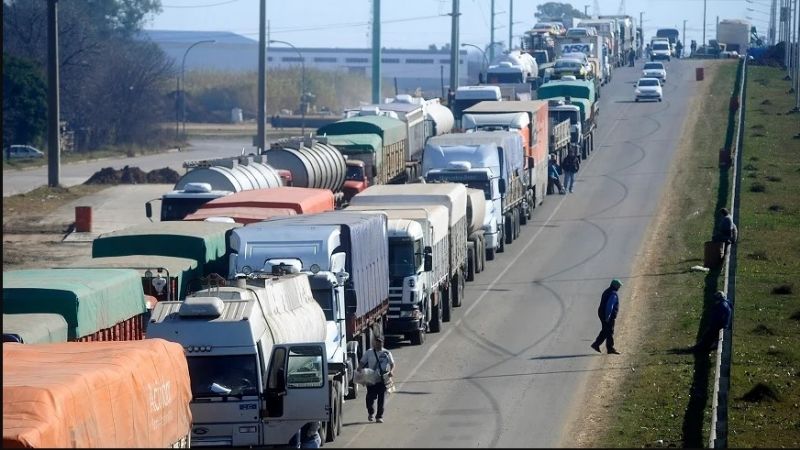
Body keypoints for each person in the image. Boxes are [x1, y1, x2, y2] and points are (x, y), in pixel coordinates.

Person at [359, 335, 395, 423]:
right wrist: (359, 369)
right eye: (377, 342)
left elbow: (392, 364)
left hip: (382, 378)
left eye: (380, 342)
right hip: (371, 378)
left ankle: (379, 416)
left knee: (381, 398)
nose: (378, 343)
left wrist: (391, 371)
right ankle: (370, 412)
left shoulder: (387, 353)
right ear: (374, 342)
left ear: (383, 343)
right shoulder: (369, 352)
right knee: (370, 397)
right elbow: (362, 362)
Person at [591, 279, 623, 354]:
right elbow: (610, 306)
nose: (619, 287)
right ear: (615, 286)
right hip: (607, 315)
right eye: (619, 286)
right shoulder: (613, 294)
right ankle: (610, 348)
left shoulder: (607, 291)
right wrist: (608, 316)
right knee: (610, 331)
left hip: (601, 313)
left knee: (605, 330)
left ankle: (596, 344)